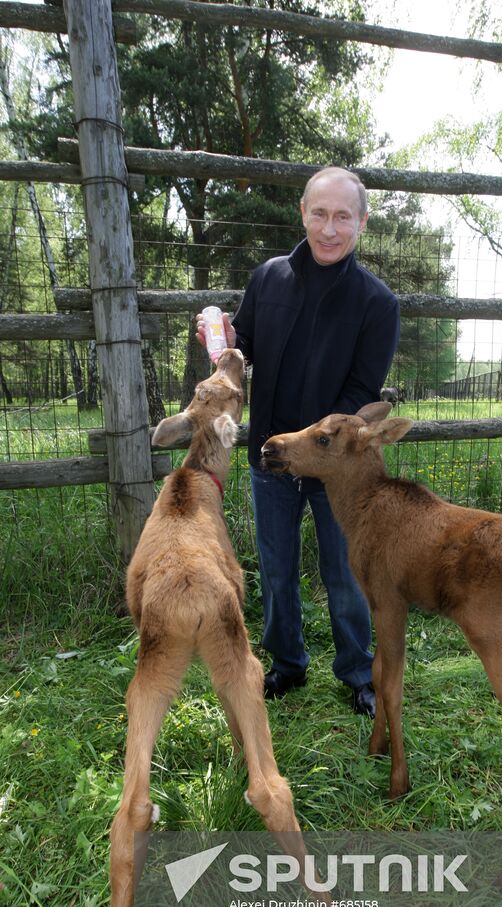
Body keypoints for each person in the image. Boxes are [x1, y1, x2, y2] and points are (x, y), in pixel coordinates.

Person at [197, 167, 400, 717]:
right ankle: (287, 664)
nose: (329, 228)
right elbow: (248, 349)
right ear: (302, 213)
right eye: (319, 213)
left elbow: (360, 393)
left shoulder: (377, 304)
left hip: (339, 471)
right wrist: (229, 345)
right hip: (270, 455)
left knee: (345, 572)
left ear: (361, 221)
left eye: (342, 216)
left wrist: (316, 452)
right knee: (277, 567)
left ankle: (359, 672)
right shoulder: (268, 278)